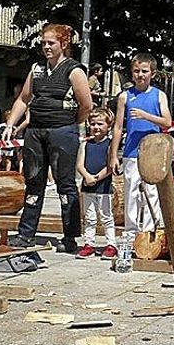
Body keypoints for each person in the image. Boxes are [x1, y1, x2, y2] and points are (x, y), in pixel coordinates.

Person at [2, 23, 92, 253]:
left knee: (65, 184)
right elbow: (23, 99)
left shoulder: (74, 70)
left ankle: (70, 236)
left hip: (62, 131)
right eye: (43, 43)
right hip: (36, 132)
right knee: (33, 182)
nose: (46, 47)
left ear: (63, 44)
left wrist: (70, 121)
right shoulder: (37, 69)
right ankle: (26, 233)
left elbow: (86, 105)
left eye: (51, 43)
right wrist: (11, 124)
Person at [109, 53, 171, 245]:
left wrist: (146, 116)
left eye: (144, 71)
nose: (140, 75)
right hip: (131, 152)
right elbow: (118, 127)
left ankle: (150, 231)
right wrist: (113, 154)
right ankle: (130, 233)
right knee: (131, 192)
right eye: (136, 71)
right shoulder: (125, 96)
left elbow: (167, 122)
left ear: (152, 73)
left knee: (152, 192)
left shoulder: (159, 95)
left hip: (152, 152)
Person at [77, 107, 116, 259]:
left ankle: (111, 244)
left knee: (106, 216)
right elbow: (79, 164)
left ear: (108, 126)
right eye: (93, 124)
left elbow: (110, 166)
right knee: (89, 217)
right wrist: (87, 176)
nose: (96, 127)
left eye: (100, 124)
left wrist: (96, 178)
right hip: (88, 186)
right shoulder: (86, 144)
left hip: (104, 187)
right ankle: (89, 243)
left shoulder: (110, 144)